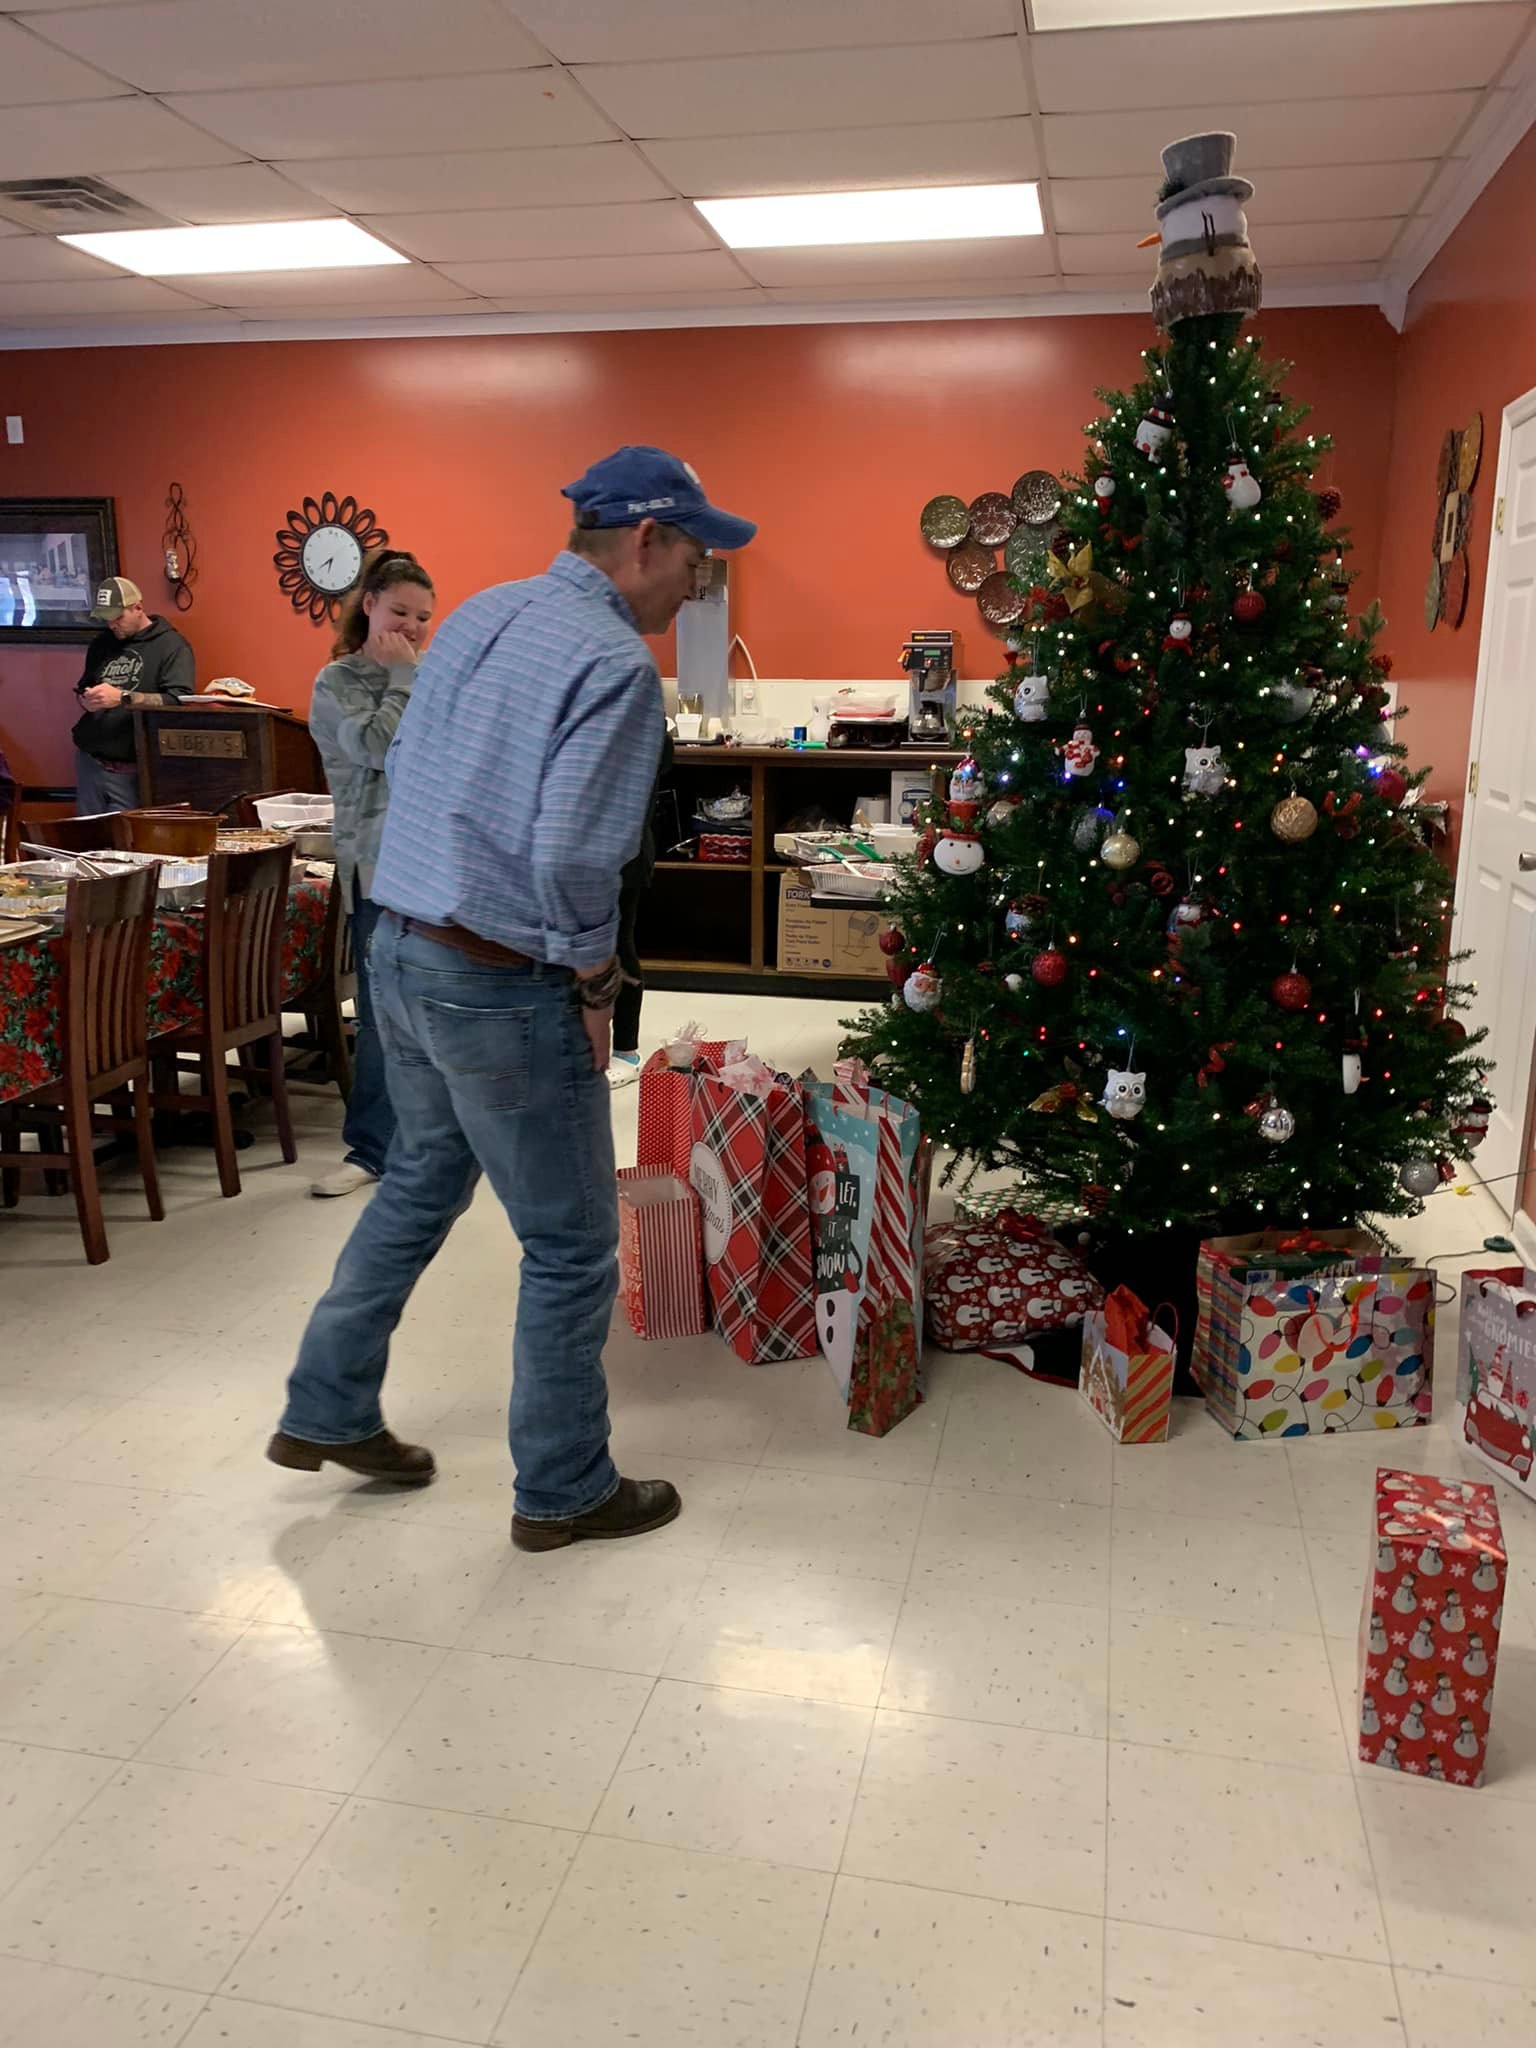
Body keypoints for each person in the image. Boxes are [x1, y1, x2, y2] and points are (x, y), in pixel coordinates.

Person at [268, 448, 756, 1551]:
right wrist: (595, 983)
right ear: (645, 539)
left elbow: (417, 777)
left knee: (417, 1181)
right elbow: (575, 856)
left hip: (402, 948)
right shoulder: (613, 663)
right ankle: (565, 1486)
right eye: (696, 554)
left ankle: (326, 1401)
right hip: (500, 979)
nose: (700, 579)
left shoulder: (485, 612)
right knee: (572, 1244)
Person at [306, 549, 436, 1199]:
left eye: (423, 617)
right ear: (369, 605)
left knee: (439, 1007)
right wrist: (403, 679)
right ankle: (371, 1149)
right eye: (400, 612)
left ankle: (435, 1140)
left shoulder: (428, 675)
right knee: (383, 1016)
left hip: (438, 866)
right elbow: (377, 749)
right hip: (379, 872)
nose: (412, 626)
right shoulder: (338, 683)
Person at [71, 576, 195, 813]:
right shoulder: (101, 643)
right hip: (90, 760)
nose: (112, 625)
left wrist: (123, 697)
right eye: (107, 619)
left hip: (135, 765)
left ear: (138, 607)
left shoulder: (171, 645)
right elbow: (83, 687)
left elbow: (178, 700)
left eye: (118, 617)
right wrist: (86, 701)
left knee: (130, 833)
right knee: (87, 833)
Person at [607, 730, 673, 1089]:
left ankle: (626, 1050)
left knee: (618, 946)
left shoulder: (642, 726)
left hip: (623, 851)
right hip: (587, 852)